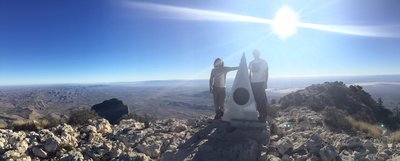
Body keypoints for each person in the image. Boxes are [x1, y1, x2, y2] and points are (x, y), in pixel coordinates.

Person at [249, 49, 269, 122]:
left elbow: (266, 72)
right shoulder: (251, 63)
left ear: (259, 54)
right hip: (253, 83)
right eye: (254, 53)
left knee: (262, 99)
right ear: (253, 54)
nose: (255, 54)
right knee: (256, 99)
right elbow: (250, 74)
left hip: (261, 82)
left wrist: (265, 82)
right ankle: (260, 114)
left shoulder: (263, 62)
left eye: (256, 53)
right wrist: (249, 82)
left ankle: (264, 114)